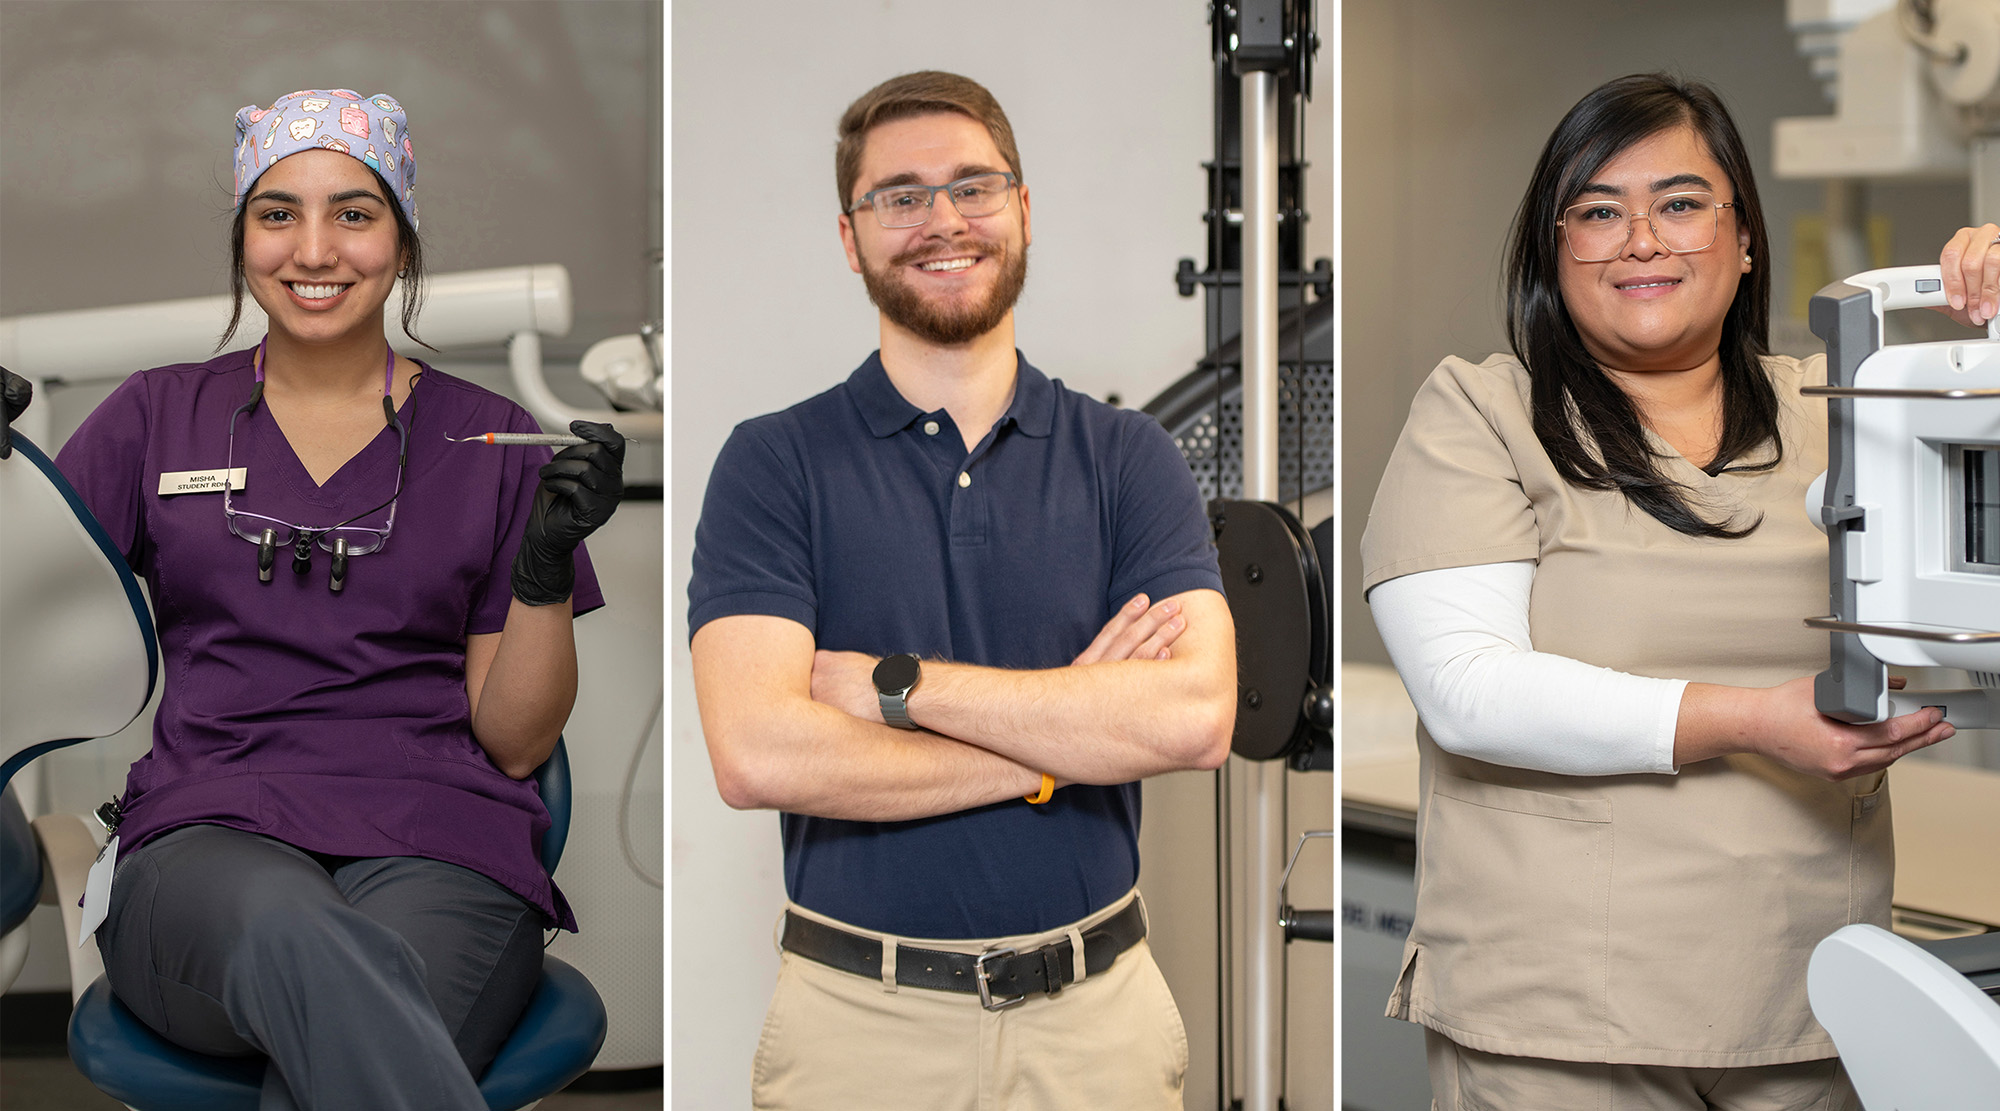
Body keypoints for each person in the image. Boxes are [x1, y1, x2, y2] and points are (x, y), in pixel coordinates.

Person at [1360, 73, 1974, 1110]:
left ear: (1741, 240)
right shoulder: (1482, 414)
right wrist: (1751, 721)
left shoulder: (1844, 409)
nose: (1640, 237)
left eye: (1681, 203)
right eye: (1597, 210)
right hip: (1559, 1022)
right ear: (1554, 252)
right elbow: (1467, 691)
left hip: (1811, 997)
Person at [52, 89, 622, 1111]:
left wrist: (542, 572)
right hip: (206, 841)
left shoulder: (486, 440)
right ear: (242, 242)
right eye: (278, 214)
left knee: (344, 1023)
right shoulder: (152, 416)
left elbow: (518, 745)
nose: (314, 249)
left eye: (354, 213)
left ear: (402, 243)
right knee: (299, 933)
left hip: (439, 842)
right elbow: (30, 613)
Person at [687, 70, 1237, 1110]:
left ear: (1022, 212)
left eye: (972, 187)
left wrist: (895, 686)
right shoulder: (774, 464)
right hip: (861, 1028)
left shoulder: (1131, 459)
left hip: (1097, 1026)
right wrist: (1059, 741)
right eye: (898, 195)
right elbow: (757, 750)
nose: (941, 219)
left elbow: (1194, 719)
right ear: (849, 237)